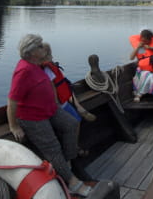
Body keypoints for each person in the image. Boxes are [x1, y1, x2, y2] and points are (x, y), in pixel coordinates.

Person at [7, 34, 92, 197]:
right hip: (32, 117)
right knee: (52, 149)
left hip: (49, 109)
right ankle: (73, 183)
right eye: (39, 46)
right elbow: (12, 101)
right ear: (31, 52)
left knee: (72, 124)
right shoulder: (23, 70)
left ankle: (66, 164)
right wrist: (14, 126)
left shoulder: (37, 64)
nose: (43, 48)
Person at [41, 43, 96, 123]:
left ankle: (78, 107)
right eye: (50, 54)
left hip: (63, 98)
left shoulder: (47, 67)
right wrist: (57, 105)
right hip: (61, 103)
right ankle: (79, 108)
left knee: (67, 87)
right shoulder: (48, 69)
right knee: (77, 120)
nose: (52, 57)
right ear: (47, 55)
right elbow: (53, 88)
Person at [129, 29, 153, 102]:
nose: (144, 42)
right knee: (148, 75)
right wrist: (137, 48)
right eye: (143, 40)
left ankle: (141, 93)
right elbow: (131, 58)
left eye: (146, 41)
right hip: (143, 70)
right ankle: (139, 94)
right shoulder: (139, 48)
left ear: (150, 40)